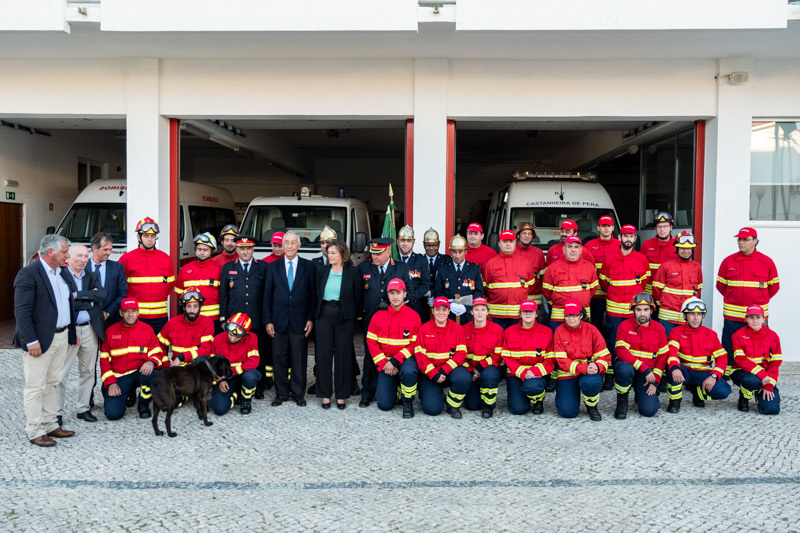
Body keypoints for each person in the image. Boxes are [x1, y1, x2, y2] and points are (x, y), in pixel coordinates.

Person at [13, 234, 78, 447]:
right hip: (39, 340)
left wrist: (70, 333)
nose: (67, 255)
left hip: (61, 336)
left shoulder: (63, 273)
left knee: (52, 383)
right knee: (36, 386)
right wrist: (30, 340)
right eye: (64, 252)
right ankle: (35, 430)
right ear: (50, 252)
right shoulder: (29, 274)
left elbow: (68, 304)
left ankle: (51, 424)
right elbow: (22, 311)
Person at [716, 227, 780, 376]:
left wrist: (759, 302)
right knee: (729, 344)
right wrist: (733, 298)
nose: (741, 242)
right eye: (739, 239)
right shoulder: (728, 261)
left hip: (757, 317)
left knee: (760, 345)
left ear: (755, 241)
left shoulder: (766, 262)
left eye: (745, 239)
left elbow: (774, 287)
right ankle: (727, 373)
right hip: (732, 314)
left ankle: (760, 372)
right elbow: (721, 285)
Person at [264, 231, 317, 407]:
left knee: (299, 359)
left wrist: (310, 319)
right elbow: (267, 296)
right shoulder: (273, 267)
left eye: (293, 242)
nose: (289, 246)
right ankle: (281, 393)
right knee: (279, 359)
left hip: (300, 321)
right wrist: (268, 321)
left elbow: (312, 296)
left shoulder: (308, 267)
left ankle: (298, 394)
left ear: (299, 246)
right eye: (286, 242)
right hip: (278, 321)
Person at [357, 238, 411, 407]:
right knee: (370, 354)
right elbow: (358, 292)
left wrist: (390, 303)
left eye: (378, 254)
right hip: (370, 318)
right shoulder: (364, 267)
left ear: (388, 251)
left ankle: (397, 387)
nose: (374, 257)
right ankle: (367, 391)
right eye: (373, 254)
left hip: (395, 318)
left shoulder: (401, 267)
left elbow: (408, 290)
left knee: (395, 350)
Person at [56, 244, 106, 425]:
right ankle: (57, 412)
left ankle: (83, 408)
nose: (83, 260)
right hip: (70, 329)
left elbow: (101, 294)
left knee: (88, 371)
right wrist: (86, 298)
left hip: (90, 328)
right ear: (69, 257)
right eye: (79, 256)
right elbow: (65, 301)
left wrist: (78, 295)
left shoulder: (92, 275)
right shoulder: (61, 275)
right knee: (61, 373)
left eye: (86, 256)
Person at [219, 235, 273, 397]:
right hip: (234, 322)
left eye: (248, 248)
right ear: (237, 249)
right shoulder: (228, 268)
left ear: (253, 249)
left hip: (257, 320)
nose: (245, 251)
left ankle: (259, 387)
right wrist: (223, 319)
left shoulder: (263, 267)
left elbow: (267, 296)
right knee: (235, 353)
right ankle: (235, 384)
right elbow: (223, 296)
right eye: (242, 248)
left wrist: (266, 320)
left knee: (259, 354)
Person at [598, 224, 650, 389]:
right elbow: (604, 283)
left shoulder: (642, 259)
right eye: (625, 236)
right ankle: (610, 375)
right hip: (614, 311)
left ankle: (632, 373)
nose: (628, 239)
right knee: (612, 343)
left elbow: (644, 282)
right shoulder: (609, 259)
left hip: (632, 312)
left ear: (635, 238)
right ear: (619, 238)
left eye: (631, 236)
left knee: (633, 343)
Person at [314, 239, 363, 409]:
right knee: (323, 355)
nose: (330, 255)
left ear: (343, 254)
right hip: (324, 314)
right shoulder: (321, 271)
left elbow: (358, 297)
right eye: (328, 252)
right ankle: (325, 394)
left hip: (345, 316)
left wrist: (351, 316)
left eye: (333, 252)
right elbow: (316, 295)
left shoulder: (353, 272)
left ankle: (342, 395)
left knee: (343, 355)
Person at [100, 297, 166, 420]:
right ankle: (127, 392)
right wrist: (111, 383)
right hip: (120, 376)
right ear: (120, 313)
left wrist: (151, 362)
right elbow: (104, 361)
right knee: (113, 414)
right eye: (126, 311)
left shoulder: (146, 330)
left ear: (138, 312)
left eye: (133, 311)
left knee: (152, 374)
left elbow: (157, 352)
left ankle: (143, 402)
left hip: (139, 372)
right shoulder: (110, 331)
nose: (130, 314)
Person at [665, 297, 731, 413]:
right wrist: (675, 368)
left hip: (702, 374)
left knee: (724, 391)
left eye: (699, 314)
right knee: (671, 368)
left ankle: (698, 392)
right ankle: (675, 400)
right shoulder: (676, 332)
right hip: (684, 372)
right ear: (685, 316)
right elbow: (672, 353)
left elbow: (722, 358)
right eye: (691, 314)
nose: (695, 318)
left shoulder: (711, 335)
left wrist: (714, 376)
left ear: (703, 316)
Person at [367, 278, 421, 417]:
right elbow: (371, 342)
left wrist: (394, 361)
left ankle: (407, 402)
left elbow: (414, 344)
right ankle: (396, 389)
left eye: (398, 292)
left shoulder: (414, 316)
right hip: (385, 362)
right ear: (388, 294)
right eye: (392, 293)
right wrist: (384, 363)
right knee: (384, 405)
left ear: (404, 294)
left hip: (405, 359)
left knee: (409, 371)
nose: (395, 297)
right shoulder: (378, 316)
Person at [612, 293, 668, 419]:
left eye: (646, 309)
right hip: (631, 368)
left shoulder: (659, 329)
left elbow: (662, 358)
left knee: (649, 411)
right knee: (624, 370)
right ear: (633, 310)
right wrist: (644, 368)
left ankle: (641, 395)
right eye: (638, 309)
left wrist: (655, 382)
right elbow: (621, 351)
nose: (642, 313)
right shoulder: (624, 326)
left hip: (647, 376)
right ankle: (622, 399)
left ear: (652, 310)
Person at [552, 299, 610, 421]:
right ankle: (566, 392)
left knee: (590, 383)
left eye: (574, 315)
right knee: (568, 412)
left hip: (590, 373)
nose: (571, 319)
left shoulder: (592, 330)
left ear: (581, 315)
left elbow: (604, 355)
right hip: (569, 373)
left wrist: (598, 367)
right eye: (567, 315)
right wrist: (583, 368)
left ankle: (592, 406)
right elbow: (561, 360)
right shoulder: (559, 331)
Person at [414, 297, 472, 418]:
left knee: (464, 378)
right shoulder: (424, 329)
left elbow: (461, 353)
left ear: (449, 311)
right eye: (438, 309)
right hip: (430, 373)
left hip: (449, 371)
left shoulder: (457, 329)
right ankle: (434, 393)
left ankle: (452, 405)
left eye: (444, 309)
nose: (441, 312)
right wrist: (433, 373)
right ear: (433, 311)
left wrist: (444, 370)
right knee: (432, 410)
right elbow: (420, 355)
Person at [118, 217, 175, 335]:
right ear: (139, 237)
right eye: (146, 236)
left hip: (160, 317)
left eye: (153, 236)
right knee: (137, 351)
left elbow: (170, 285)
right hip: (136, 317)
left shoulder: (165, 258)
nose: (150, 239)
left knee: (160, 351)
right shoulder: (127, 258)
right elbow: (119, 287)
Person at [501, 300, 555, 416]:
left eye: (531, 311)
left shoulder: (547, 332)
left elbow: (550, 359)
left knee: (533, 387)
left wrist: (534, 371)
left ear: (536, 314)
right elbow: (506, 357)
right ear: (520, 314)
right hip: (515, 373)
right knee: (518, 409)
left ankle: (538, 400)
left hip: (537, 373)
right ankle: (519, 394)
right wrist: (523, 372)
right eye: (525, 312)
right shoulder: (509, 332)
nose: (528, 314)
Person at [730, 305, 781, 415]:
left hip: (765, 377)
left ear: (764, 318)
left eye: (758, 317)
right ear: (746, 319)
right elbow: (740, 359)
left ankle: (758, 393)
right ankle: (744, 395)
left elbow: (775, 363)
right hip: (742, 372)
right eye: (751, 317)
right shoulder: (737, 335)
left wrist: (768, 385)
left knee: (771, 409)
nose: (755, 321)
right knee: (752, 381)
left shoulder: (773, 336)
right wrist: (761, 374)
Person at [652, 231, 702, 337]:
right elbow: (656, 290)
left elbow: (698, 291)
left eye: (689, 248)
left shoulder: (697, 267)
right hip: (667, 318)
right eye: (683, 248)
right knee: (666, 348)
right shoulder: (666, 266)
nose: (686, 251)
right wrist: (664, 305)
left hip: (687, 318)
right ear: (676, 249)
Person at [209, 313, 261, 416]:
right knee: (218, 409)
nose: (232, 339)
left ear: (245, 334)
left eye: (237, 337)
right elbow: (213, 364)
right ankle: (236, 395)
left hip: (243, 374)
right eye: (231, 334)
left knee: (251, 376)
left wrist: (233, 371)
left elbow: (254, 361)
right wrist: (220, 380)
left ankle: (245, 400)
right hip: (225, 378)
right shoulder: (218, 338)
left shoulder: (252, 338)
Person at [483, 230, 536, 329]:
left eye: (511, 241)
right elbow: (484, 288)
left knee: (516, 343)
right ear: (499, 244)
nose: (508, 244)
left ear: (515, 243)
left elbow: (531, 287)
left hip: (519, 315)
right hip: (496, 316)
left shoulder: (525, 263)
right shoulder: (490, 264)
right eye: (504, 241)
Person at [542, 236, 598, 329]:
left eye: (576, 247)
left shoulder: (589, 267)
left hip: (582, 315)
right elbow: (546, 291)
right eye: (569, 247)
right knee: (558, 342)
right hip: (559, 316)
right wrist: (557, 302)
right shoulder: (553, 267)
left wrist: (583, 297)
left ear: (581, 250)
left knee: (583, 343)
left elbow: (592, 289)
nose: (573, 250)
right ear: (564, 249)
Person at [461, 297, 504, 418]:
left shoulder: (497, 330)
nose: (480, 312)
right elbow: (460, 355)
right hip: (470, 370)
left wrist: (479, 368)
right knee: (472, 405)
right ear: (471, 312)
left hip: (490, 368)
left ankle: (488, 406)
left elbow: (498, 355)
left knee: (488, 375)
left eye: (483, 309)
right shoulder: (463, 330)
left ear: (487, 312)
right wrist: (470, 370)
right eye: (476, 309)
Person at [174, 233, 223, 327]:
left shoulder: (219, 269)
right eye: (199, 249)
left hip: (213, 319)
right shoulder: (185, 269)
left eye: (205, 250)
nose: (202, 252)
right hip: (192, 318)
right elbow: (178, 292)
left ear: (212, 251)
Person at [433, 234, 484, 324]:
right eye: (454, 252)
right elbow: (438, 292)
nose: (457, 255)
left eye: (460, 252)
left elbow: (479, 292)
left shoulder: (474, 269)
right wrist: (448, 305)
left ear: (465, 251)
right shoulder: (442, 269)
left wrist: (466, 307)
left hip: (468, 315)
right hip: (448, 316)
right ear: (450, 252)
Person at [157, 291, 215, 366]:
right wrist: (166, 366)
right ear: (184, 307)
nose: (192, 310)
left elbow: (205, 350)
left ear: (200, 307)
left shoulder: (207, 323)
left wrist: (182, 357)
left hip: (196, 369)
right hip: (177, 369)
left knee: (201, 360)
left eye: (195, 306)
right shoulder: (172, 323)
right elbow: (159, 346)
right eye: (189, 306)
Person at [584, 215, 621, 332]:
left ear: (613, 228)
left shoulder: (620, 245)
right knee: (595, 325)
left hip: (614, 294)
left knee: (613, 326)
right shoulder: (589, 246)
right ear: (598, 228)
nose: (606, 229)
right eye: (603, 226)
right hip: (595, 295)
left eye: (608, 226)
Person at [89, 231, 127, 328]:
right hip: (87, 322)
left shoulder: (117, 267)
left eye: (110, 249)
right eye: (105, 249)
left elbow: (122, 294)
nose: (109, 253)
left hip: (111, 320)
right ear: (94, 249)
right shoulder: (82, 267)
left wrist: (108, 312)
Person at [396, 225, 432, 322]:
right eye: (403, 240)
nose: (405, 244)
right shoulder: (392, 259)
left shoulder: (421, 260)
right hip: (395, 306)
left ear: (413, 242)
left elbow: (425, 285)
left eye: (409, 241)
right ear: (397, 241)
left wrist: (408, 298)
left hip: (416, 306)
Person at [641, 212, 675, 295]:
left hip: (669, 293)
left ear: (671, 227)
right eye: (659, 226)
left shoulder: (677, 246)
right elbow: (640, 269)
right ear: (655, 228)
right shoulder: (647, 245)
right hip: (649, 294)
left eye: (665, 226)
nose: (662, 229)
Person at [514, 222, 546, 306]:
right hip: (515, 298)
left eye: (529, 234)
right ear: (518, 235)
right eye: (524, 233)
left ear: (532, 236)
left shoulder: (538, 253)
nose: (527, 236)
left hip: (535, 298)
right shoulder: (512, 251)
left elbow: (543, 277)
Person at [422, 227, 451, 294]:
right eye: (428, 245)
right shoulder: (419, 260)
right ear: (424, 245)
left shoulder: (447, 260)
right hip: (422, 297)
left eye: (434, 245)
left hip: (440, 297)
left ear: (439, 244)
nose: (431, 248)